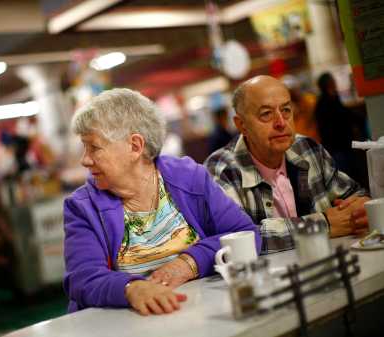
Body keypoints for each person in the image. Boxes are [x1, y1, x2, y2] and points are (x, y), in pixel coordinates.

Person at [63, 88, 260, 315]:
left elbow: (246, 234)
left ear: (135, 146)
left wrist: (189, 263)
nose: (84, 160)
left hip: (199, 312)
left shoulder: (190, 177)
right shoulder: (82, 206)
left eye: (94, 147)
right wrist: (131, 288)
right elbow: (82, 279)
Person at [204, 75, 369, 254]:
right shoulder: (220, 170)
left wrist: (361, 208)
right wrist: (323, 224)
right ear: (242, 125)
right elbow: (238, 238)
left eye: (286, 110)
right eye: (266, 114)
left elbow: (354, 195)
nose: (281, 123)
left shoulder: (307, 148)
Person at [314, 72, 354, 174]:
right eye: (333, 80)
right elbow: (326, 127)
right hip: (335, 146)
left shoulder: (334, 97)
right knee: (343, 173)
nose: (335, 82)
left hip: (342, 143)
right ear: (328, 83)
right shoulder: (323, 103)